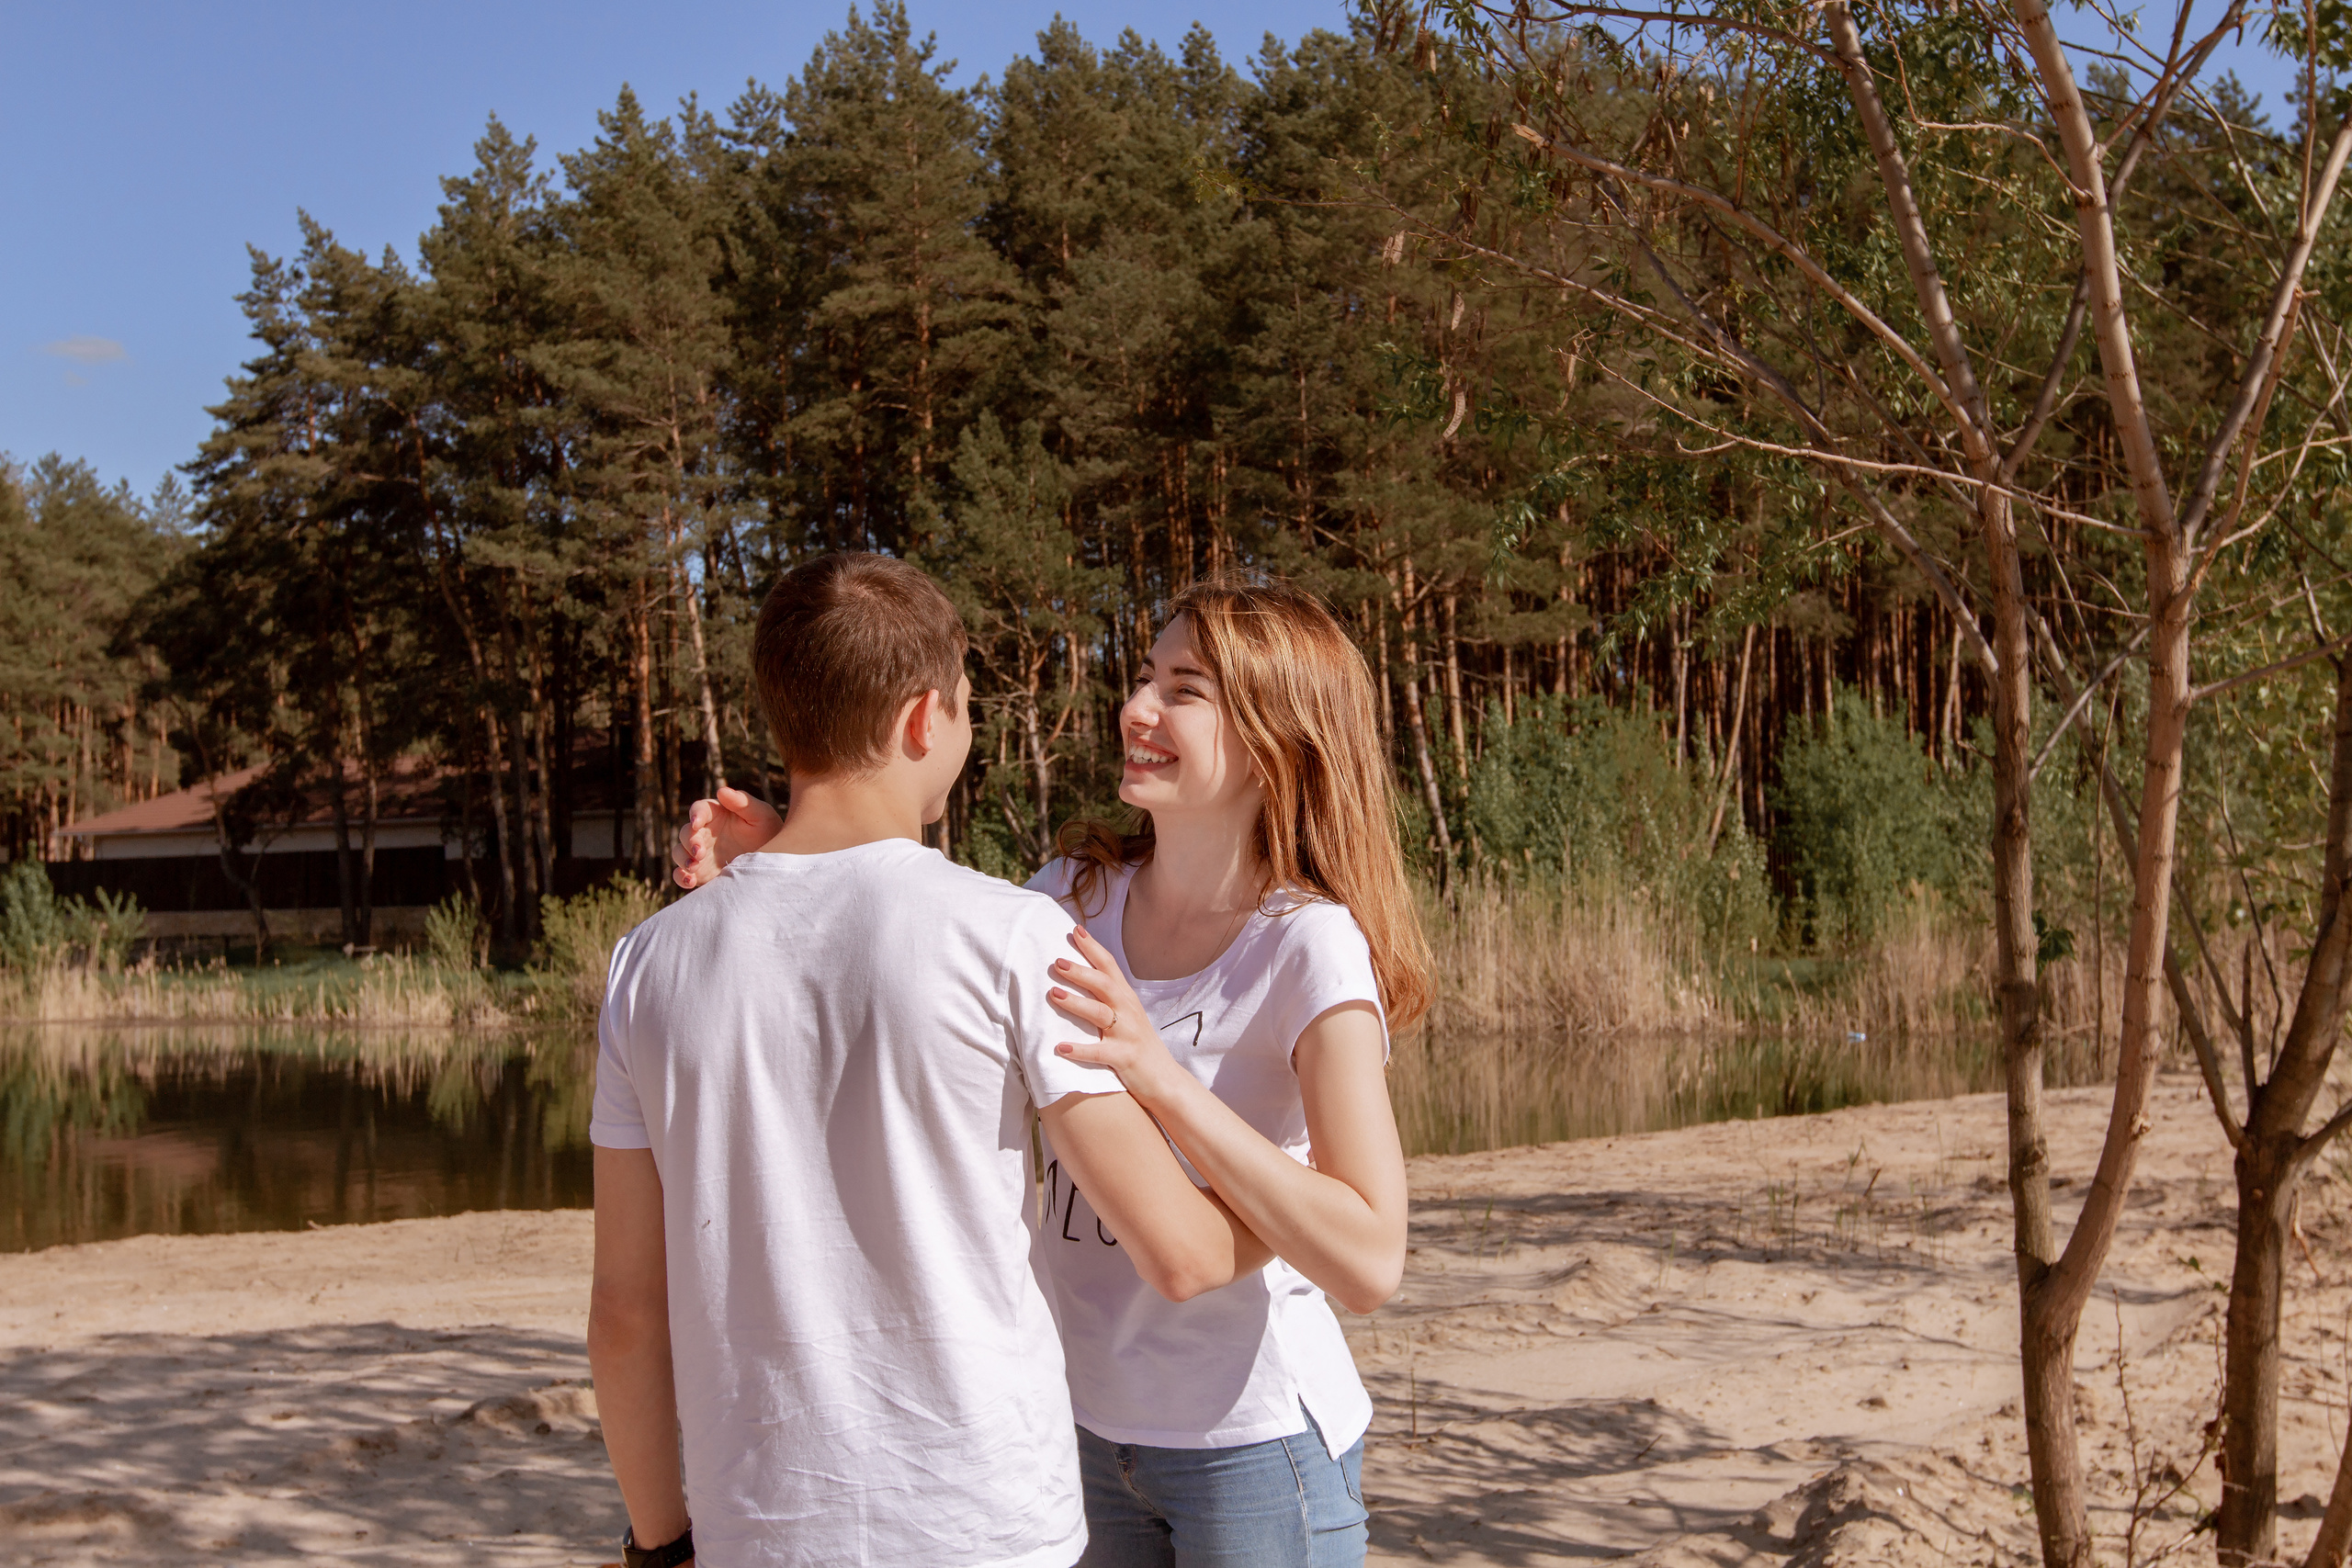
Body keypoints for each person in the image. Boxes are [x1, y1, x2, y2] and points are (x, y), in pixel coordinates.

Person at [675, 574, 1431, 1568]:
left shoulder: (1307, 944)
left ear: (1275, 736)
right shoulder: (1074, 895)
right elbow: (924, 949)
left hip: (1253, 1446)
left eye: (1184, 690)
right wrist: (782, 867)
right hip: (1075, 1431)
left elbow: (1371, 1259)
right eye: (1145, 677)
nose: (1137, 708)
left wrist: (1160, 1077)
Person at [590, 552, 1268, 1568]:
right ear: (922, 719)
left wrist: (659, 1543)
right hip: (982, 1526)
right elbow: (1182, 1254)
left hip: (757, 1529)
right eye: (965, 705)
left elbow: (625, 1314)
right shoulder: (1010, 937)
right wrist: (1296, 1203)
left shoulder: (646, 963)